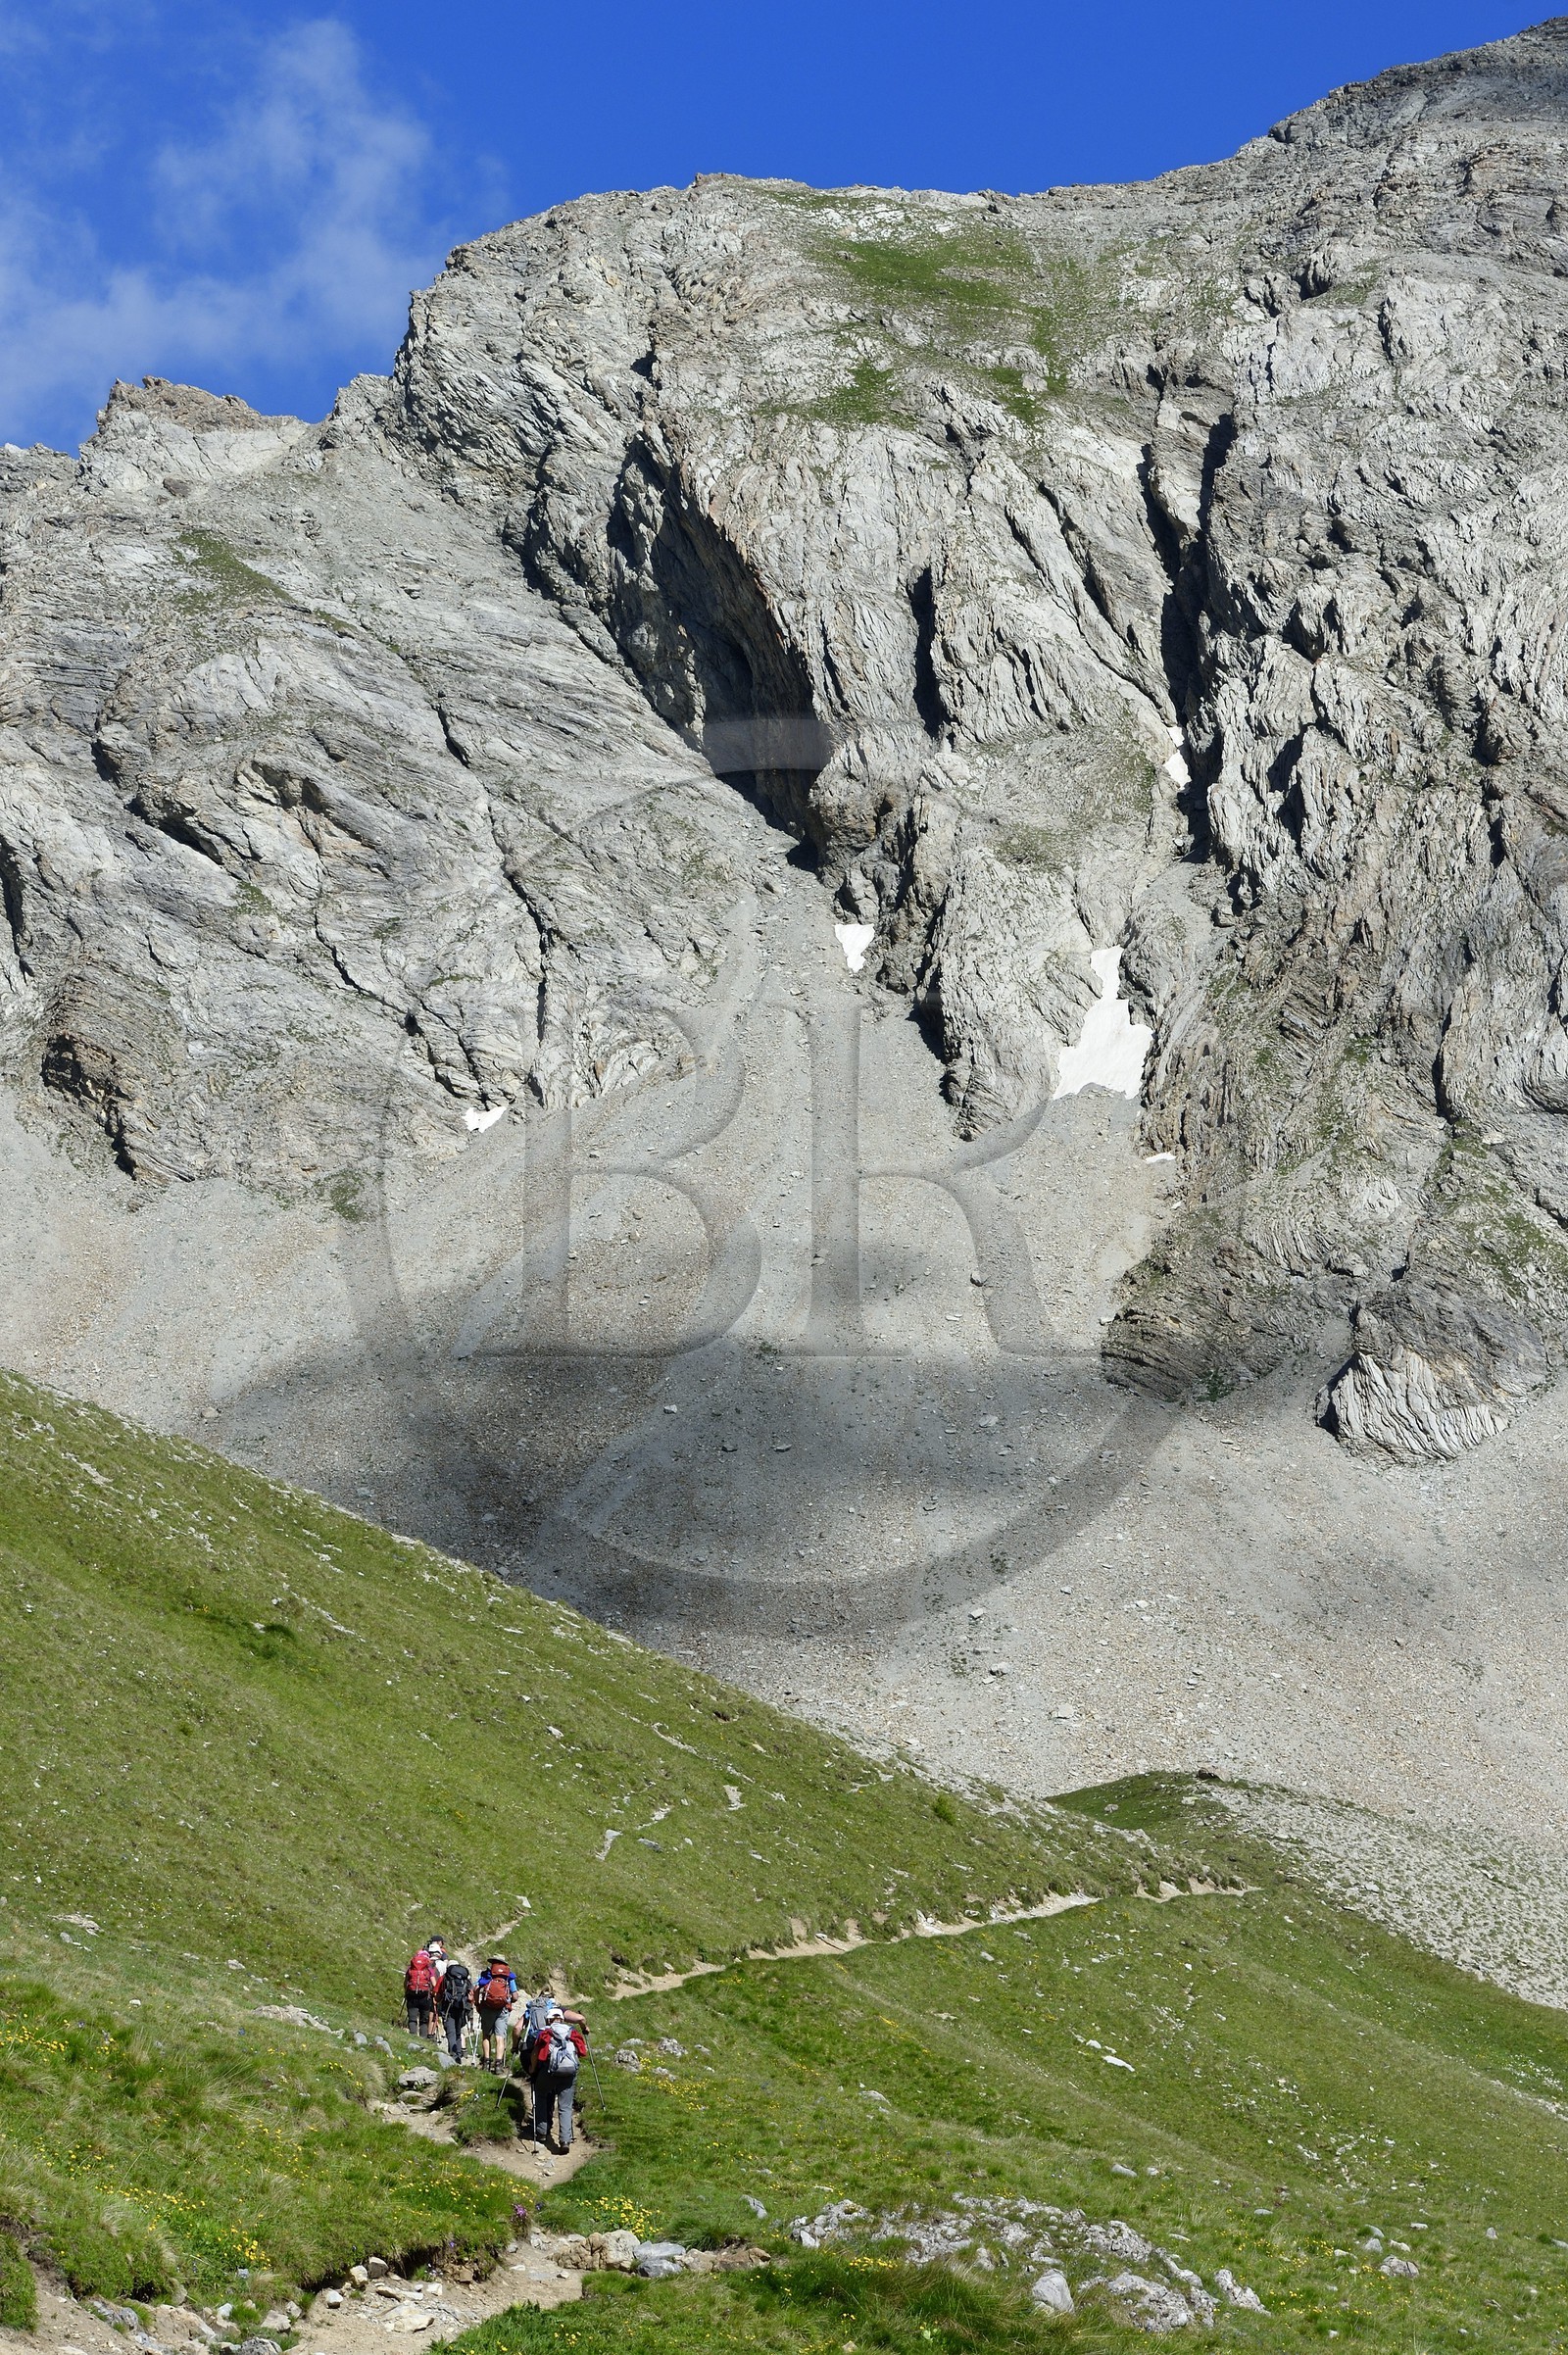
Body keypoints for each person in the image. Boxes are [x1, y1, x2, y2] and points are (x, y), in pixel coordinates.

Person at [528, 2000, 588, 2151]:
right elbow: (582, 2051)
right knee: (565, 2106)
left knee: (541, 2094)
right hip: (569, 2072)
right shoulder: (571, 2032)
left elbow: (536, 2053)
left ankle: (542, 2132)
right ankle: (565, 2141)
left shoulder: (545, 2033)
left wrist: (532, 2069)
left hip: (549, 2071)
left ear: (548, 2020)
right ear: (562, 2019)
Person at [474, 1956, 516, 2073]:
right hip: (502, 2009)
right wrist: (508, 2001)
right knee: (500, 2037)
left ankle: (486, 2063)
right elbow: (515, 1996)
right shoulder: (509, 1976)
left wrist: (478, 2004)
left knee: (486, 2035)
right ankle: (498, 2065)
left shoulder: (486, 1974)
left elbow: (477, 1988)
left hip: (487, 2007)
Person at [437, 1953, 474, 2064]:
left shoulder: (445, 1977)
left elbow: (438, 1992)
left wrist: (437, 2002)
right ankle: (458, 2054)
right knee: (458, 2031)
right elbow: (471, 1993)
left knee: (451, 2031)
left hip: (448, 2007)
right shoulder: (465, 1979)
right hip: (462, 2007)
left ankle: (453, 2055)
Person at [403, 1945, 438, 2039]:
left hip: (412, 1994)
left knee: (412, 2018)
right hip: (425, 1996)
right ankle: (423, 2038)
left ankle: (412, 2037)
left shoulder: (411, 1969)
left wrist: (406, 1992)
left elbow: (405, 1982)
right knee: (424, 2020)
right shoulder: (428, 1969)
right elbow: (434, 1984)